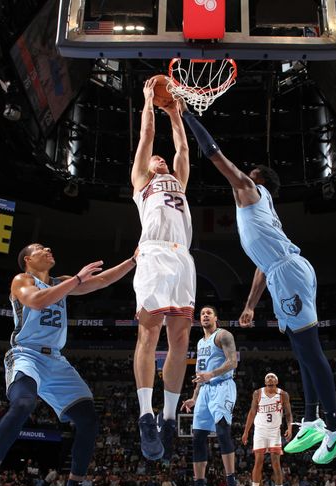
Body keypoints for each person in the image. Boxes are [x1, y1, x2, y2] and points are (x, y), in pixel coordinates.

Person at [179, 109, 336, 464]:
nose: (242, 174)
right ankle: (310, 420)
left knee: (309, 348)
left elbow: (214, 153)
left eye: (249, 172)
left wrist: (185, 115)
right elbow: (263, 266)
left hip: (288, 273)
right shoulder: (259, 211)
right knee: (301, 350)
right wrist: (249, 304)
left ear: (256, 180)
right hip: (280, 273)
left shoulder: (250, 191)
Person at [0, 243, 137, 486]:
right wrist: (76, 280)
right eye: (40, 248)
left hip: (56, 360)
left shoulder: (62, 282)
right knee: (24, 404)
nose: (48, 248)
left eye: (48, 246)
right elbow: (37, 301)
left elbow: (103, 280)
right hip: (26, 354)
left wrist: (133, 260)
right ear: (27, 259)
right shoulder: (22, 280)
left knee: (88, 419)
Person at [131, 78, 195, 461]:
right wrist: (148, 104)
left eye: (162, 158)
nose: (160, 159)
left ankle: (169, 418)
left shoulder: (180, 181)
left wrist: (175, 113)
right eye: (157, 159)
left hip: (182, 257)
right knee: (149, 332)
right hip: (153, 254)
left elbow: (182, 147)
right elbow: (146, 137)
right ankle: (145, 414)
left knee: (181, 339)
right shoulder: (142, 182)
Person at [178, 306, 239, 486]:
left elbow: (233, 362)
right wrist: (194, 398)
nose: (205, 315)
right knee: (197, 437)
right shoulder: (200, 342)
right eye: (202, 313)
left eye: (209, 313)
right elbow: (200, 374)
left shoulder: (223, 335)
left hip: (223, 387)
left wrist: (211, 375)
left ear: (216, 318)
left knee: (222, 431)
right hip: (204, 391)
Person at [241, 372, 293, 486]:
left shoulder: (283, 394)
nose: (270, 378)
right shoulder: (257, 393)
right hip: (260, 431)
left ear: (277, 380)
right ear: (265, 381)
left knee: (276, 463)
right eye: (267, 377)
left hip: (274, 432)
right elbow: (252, 412)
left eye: (272, 377)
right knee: (258, 462)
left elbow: (288, 413)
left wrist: (290, 428)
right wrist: (246, 432)